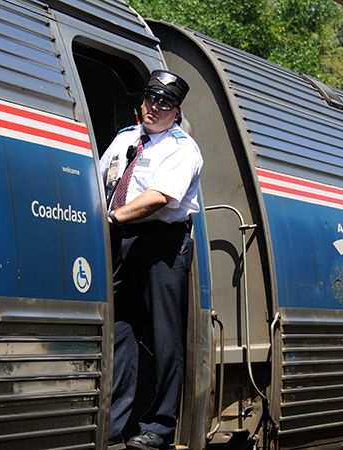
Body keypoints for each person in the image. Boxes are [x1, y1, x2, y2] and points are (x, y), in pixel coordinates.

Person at [99, 70, 203, 450]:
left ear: (176, 113)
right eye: (150, 99)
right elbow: (102, 179)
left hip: (162, 243)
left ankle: (159, 427)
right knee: (121, 331)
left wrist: (111, 217)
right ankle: (112, 424)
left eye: (165, 103)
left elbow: (160, 197)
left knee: (164, 335)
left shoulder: (181, 147)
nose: (154, 107)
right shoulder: (126, 138)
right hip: (124, 241)